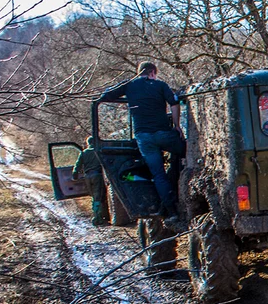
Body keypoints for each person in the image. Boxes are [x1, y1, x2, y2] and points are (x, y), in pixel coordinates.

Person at [101, 62, 186, 229]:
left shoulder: (129, 85)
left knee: (158, 175)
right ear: (153, 72)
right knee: (186, 153)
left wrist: (125, 92)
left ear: (139, 73)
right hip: (164, 134)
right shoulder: (161, 85)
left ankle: (171, 211)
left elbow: (105, 96)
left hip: (144, 138)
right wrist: (177, 126)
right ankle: (179, 182)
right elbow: (174, 104)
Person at [72, 137, 110, 226]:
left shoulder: (84, 153)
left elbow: (77, 165)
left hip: (87, 177)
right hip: (97, 176)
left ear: (88, 143)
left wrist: (75, 174)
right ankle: (98, 218)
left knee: (93, 196)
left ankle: (98, 215)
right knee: (99, 197)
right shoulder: (99, 151)